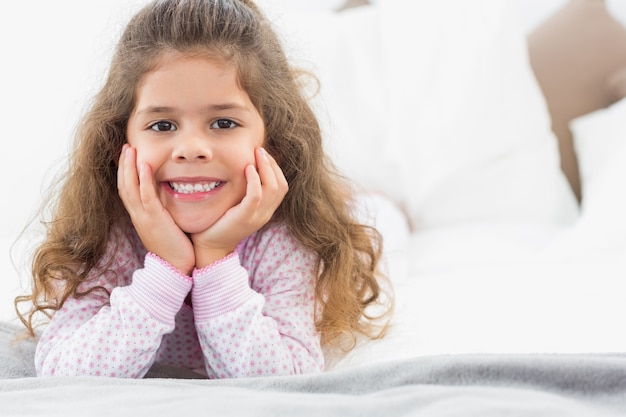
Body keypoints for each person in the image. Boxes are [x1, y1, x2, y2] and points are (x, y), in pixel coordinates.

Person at [14, 0, 391, 378]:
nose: (191, 148)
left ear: (273, 144)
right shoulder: (109, 238)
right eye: (162, 126)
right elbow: (62, 373)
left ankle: (379, 202)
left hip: (355, 216)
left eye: (223, 122)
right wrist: (167, 267)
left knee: (379, 220)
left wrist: (214, 257)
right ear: (119, 148)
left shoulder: (286, 240)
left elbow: (289, 379)